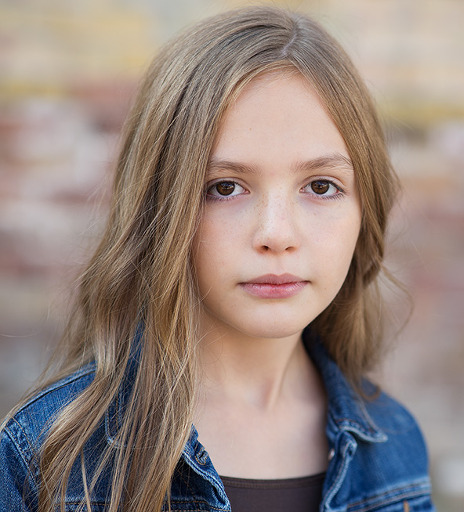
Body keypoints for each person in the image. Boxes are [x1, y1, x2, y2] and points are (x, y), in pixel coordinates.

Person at [0, 6, 433, 511]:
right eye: (225, 187)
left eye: (321, 186)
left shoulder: (395, 443)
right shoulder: (49, 459)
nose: (277, 234)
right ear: (158, 208)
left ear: (366, 209)